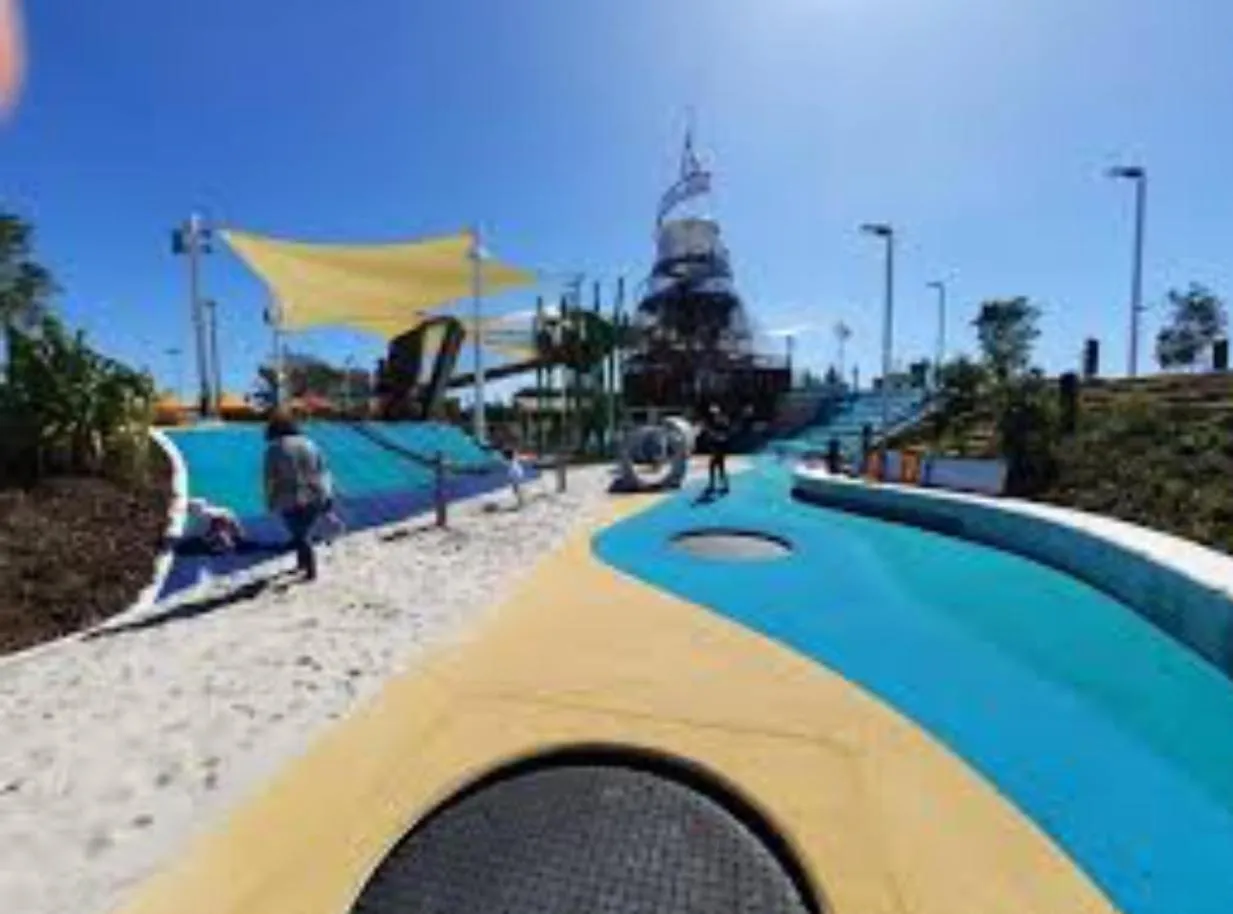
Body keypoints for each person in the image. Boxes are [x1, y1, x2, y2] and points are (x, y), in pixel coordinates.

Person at [263, 409, 334, 581]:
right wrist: (328, 495)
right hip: (316, 493)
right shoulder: (310, 444)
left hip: (290, 497)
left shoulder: (274, 449)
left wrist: (270, 500)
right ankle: (302, 564)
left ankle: (310, 571)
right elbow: (323, 470)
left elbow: (270, 478)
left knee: (300, 534)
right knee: (302, 533)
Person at [703, 403, 731, 494]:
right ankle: (721, 484)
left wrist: (715, 435)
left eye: (714, 414)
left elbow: (725, 434)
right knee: (718, 465)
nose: (713, 416)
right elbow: (712, 434)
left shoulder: (722, 421)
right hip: (716, 445)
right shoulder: (713, 422)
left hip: (721, 446)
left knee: (717, 465)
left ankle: (720, 484)